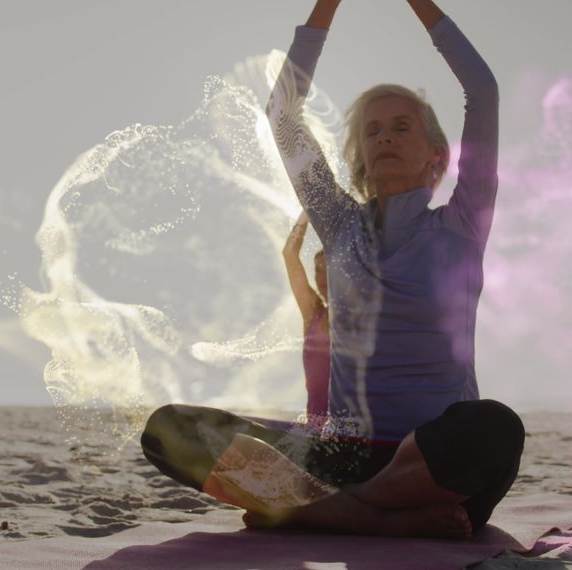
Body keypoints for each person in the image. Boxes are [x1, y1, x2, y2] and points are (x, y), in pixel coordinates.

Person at [140, 0, 523, 540]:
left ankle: (334, 511)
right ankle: (363, 515)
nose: (384, 137)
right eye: (372, 131)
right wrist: (327, 6)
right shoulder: (340, 225)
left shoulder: (461, 223)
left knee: (496, 427)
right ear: (360, 156)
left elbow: (481, 91)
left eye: (401, 127)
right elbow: (282, 113)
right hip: (339, 457)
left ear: (438, 156)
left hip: (436, 465)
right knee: (169, 429)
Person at [282, 212, 330, 423]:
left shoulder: (362, 313)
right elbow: (289, 254)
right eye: (318, 270)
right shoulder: (314, 314)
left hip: (358, 432)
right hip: (317, 430)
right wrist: (308, 209)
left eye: (330, 269)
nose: (322, 277)